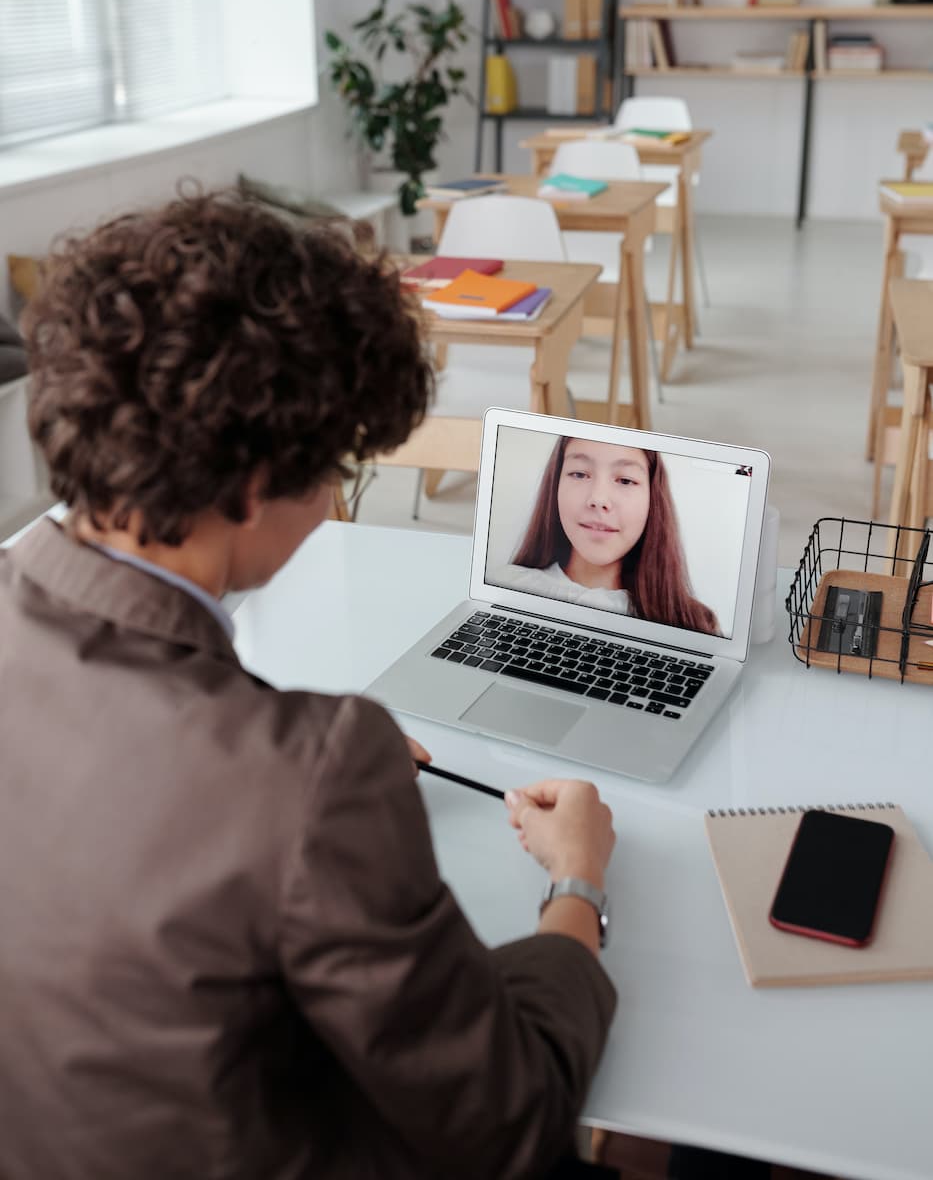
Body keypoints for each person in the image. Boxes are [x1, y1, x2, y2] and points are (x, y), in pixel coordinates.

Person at [0, 190, 619, 1180]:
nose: (336, 501)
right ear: (251, 485)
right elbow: (505, 1120)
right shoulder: (308, 770)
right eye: (334, 467)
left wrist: (311, 809)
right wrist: (578, 890)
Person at [493, 435, 720, 636]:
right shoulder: (505, 587)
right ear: (555, 487)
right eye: (580, 474)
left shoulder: (694, 623)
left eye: (625, 480)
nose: (599, 499)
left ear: (653, 499)